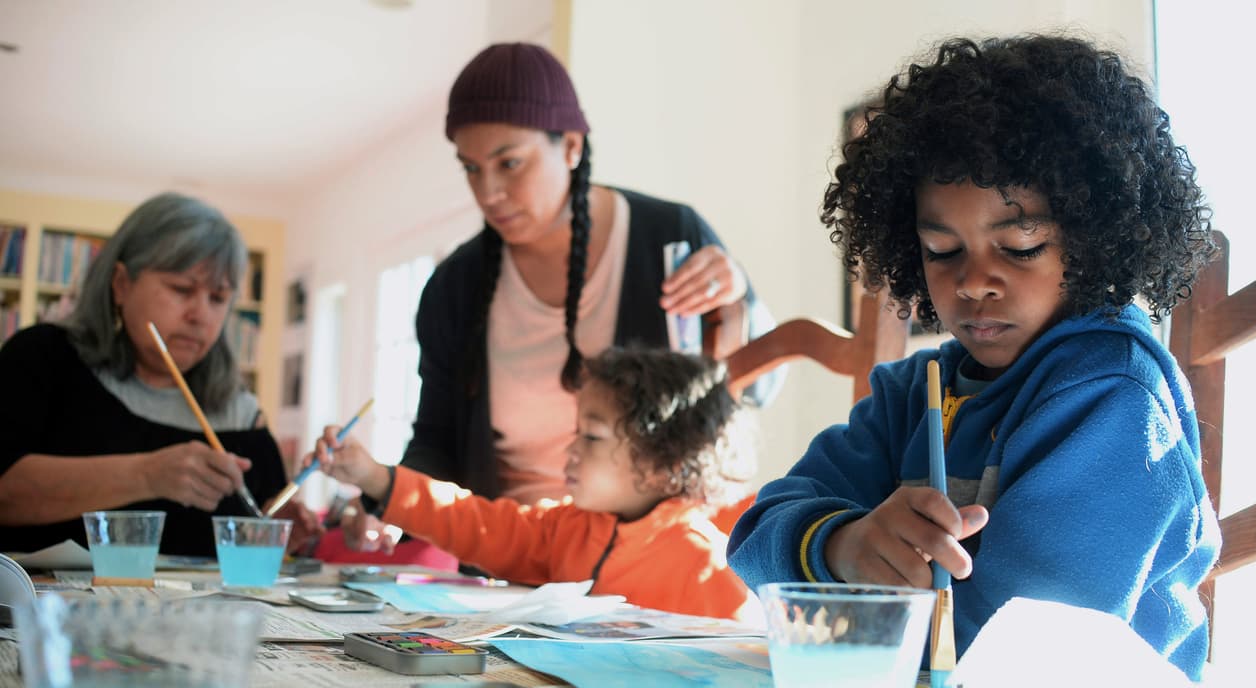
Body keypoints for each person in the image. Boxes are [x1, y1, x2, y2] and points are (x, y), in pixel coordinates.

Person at [728, 35, 1221, 680]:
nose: (973, 282)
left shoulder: (1113, 396)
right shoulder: (918, 390)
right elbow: (756, 536)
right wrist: (842, 547)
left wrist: (851, 607)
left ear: (1098, 236)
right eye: (941, 249)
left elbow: (1018, 648)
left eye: (1019, 246)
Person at [339, 41, 778, 553]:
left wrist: (738, 303)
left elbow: (750, 394)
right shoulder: (453, 288)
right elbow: (438, 440)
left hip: (653, 565)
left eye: (509, 163)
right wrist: (382, 498)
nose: (488, 193)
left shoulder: (669, 239)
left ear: (571, 145)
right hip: (512, 560)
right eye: (471, 169)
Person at [310, 345, 757, 621]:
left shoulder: (705, 564)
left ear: (665, 461)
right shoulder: (569, 527)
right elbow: (478, 524)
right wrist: (374, 477)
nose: (571, 451)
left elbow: (748, 661)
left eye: (592, 435)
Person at [0, 192, 319, 556]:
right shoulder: (43, 359)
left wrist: (280, 536)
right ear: (121, 284)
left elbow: (262, 546)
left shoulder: (243, 417)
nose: (200, 315)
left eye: (218, 298)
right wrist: (147, 474)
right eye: (182, 289)